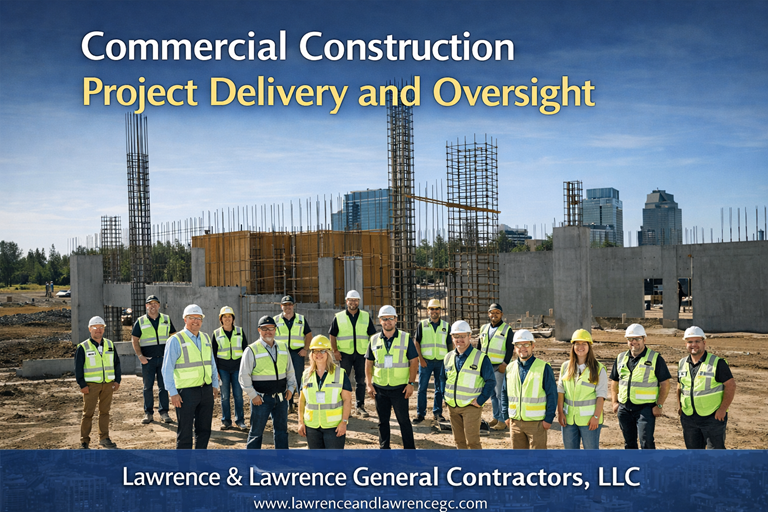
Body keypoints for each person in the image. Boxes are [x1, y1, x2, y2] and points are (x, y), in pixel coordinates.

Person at [161, 304, 220, 449]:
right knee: (185, 432)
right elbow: (166, 369)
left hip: (205, 391)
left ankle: (201, 465)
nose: (195, 321)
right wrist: (173, 393)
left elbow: (211, 362)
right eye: (192, 318)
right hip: (185, 393)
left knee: (204, 430)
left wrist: (215, 384)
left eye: (198, 318)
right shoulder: (175, 340)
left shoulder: (206, 337)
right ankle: (184, 470)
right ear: (184, 319)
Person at [609, 323, 671, 449]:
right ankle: (633, 467)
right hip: (625, 408)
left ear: (644, 339)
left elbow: (665, 384)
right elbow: (615, 381)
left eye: (637, 339)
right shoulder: (621, 358)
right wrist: (615, 402)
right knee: (629, 443)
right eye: (630, 339)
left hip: (646, 409)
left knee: (646, 442)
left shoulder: (655, 358)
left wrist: (659, 405)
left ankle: (649, 468)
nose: (633, 342)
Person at [238, 315, 297, 449]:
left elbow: (290, 371)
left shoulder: (283, 347)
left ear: (275, 329)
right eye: (264, 328)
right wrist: (253, 395)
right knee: (256, 433)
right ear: (259, 330)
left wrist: (291, 388)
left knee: (282, 432)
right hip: (261, 399)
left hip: (281, 398)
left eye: (271, 328)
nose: (268, 331)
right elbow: (243, 375)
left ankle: (282, 461)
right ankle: (252, 464)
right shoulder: (251, 349)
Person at [365, 305, 419, 449]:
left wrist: (411, 383)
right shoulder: (374, 339)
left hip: (400, 388)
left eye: (390, 318)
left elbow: (414, 361)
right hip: (380, 388)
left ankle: (410, 452)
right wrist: (369, 384)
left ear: (396, 319)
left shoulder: (405, 338)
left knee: (404, 421)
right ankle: (384, 450)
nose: (387, 321)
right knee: (382, 422)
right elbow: (369, 363)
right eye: (384, 319)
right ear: (380, 321)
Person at [677, 326, 736, 449]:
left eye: (697, 341)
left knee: (715, 453)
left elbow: (730, 385)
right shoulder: (682, 363)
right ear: (685, 344)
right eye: (690, 342)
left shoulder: (717, 362)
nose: (693, 345)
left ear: (704, 343)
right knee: (693, 453)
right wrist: (680, 407)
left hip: (712, 417)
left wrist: (722, 409)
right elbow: (680, 386)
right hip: (689, 418)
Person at [440, 320, 495, 449]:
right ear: (452, 338)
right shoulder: (448, 357)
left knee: (472, 441)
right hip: (452, 406)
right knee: (459, 441)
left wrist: (480, 400)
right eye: (456, 336)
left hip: (471, 405)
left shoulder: (481, 358)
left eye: (463, 336)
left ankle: (476, 468)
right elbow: (442, 378)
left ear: (469, 336)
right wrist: (445, 397)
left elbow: (491, 381)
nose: (459, 340)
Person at [502, 329, 557, 449]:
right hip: (515, 422)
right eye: (519, 345)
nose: (523, 348)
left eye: (526, 344)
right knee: (519, 460)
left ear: (533, 346)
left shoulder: (543, 367)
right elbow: (504, 393)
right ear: (515, 347)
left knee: (538, 460)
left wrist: (549, 419)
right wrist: (505, 415)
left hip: (537, 424)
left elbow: (552, 395)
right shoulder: (510, 368)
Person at [297, 335, 352, 449]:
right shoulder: (306, 374)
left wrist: (344, 422)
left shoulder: (340, 373)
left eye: (322, 351)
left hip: (334, 427)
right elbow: (302, 400)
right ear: (311, 354)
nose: (319, 354)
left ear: (328, 353)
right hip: (312, 426)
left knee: (333, 462)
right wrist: (301, 422)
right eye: (315, 351)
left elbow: (347, 400)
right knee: (317, 462)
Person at [329, 290, 378, 418]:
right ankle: (344, 407)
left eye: (355, 300)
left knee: (361, 381)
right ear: (347, 301)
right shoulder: (339, 317)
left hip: (362, 354)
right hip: (345, 354)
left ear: (359, 302)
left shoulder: (365, 316)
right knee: (343, 380)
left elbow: (372, 335)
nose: (353, 302)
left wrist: (372, 352)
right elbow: (332, 335)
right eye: (351, 300)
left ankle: (360, 406)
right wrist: (335, 351)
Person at [557, 329, 608, 449]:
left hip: (589, 421)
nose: (580, 347)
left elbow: (601, 395)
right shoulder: (565, 367)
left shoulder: (599, 369)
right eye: (577, 343)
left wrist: (596, 417)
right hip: (569, 420)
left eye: (584, 343)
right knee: (570, 455)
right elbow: (561, 391)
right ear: (573, 346)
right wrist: (560, 413)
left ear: (589, 346)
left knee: (590, 456)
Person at [75, 316, 121, 449]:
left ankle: (104, 438)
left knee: (105, 412)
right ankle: (84, 440)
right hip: (91, 386)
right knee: (88, 413)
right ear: (90, 329)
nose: (98, 330)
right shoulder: (83, 347)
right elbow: (78, 367)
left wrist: (117, 380)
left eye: (101, 328)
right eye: (95, 328)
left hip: (108, 384)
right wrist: (82, 384)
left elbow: (116, 364)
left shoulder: (110, 345)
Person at [131, 294, 177, 424]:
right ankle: (148, 413)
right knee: (147, 387)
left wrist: (172, 356)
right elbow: (134, 340)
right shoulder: (140, 321)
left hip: (164, 360)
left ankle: (164, 413)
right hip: (148, 361)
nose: (153, 306)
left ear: (159, 306)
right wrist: (140, 356)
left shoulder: (166, 319)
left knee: (164, 387)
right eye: (150, 304)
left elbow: (174, 337)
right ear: (146, 306)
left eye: (155, 303)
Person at [413, 298, 452, 425]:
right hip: (426, 362)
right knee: (422, 389)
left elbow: (449, 345)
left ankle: (437, 413)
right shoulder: (422, 325)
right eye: (432, 309)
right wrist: (421, 359)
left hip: (441, 362)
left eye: (436, 309)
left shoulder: (446, 326)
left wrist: (448, 361)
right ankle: (420, 414)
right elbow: (416, 342)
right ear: (428, 311)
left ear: (440, 310)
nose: (434, 311)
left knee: (439, 389)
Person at [478, 303, 514, 431]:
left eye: (497, 312)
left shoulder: (506, 329)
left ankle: (503, 420)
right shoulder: (483, 328)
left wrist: (505, 363)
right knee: (492, 394)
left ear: (501, 314)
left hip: (499, 367)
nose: (494, 315)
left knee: (500, 394)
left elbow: (510, 348)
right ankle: (496, 416)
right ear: (488, 314)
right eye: (492, 312)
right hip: (486, 366)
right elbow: (479, 347)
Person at [275, 295, 312, 414]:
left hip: (297, 354)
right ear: (281, 306)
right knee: (283, 378)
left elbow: (309, 335)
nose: (288, 307)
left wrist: (306, 349)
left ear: (293, 306)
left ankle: (302, 403)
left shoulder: (300, 319)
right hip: (282, 354)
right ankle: (289, 404)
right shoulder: (275, 320)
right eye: (285, 305)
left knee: (297, 379)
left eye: (290, 304)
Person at [212, 305, 247, 431]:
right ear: (221, 319)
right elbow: (213, 355)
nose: (227, 319)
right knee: (225, 396)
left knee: (238, 395)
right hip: (223, 369)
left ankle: (240, 421)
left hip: (238, 368)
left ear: (233, 319)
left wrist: (246, 370)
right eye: (224, 317)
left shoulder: (240, 331)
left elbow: (246, 350)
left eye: (229, 316)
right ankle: (226, 421)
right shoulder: (216, 333)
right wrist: (216, 372)